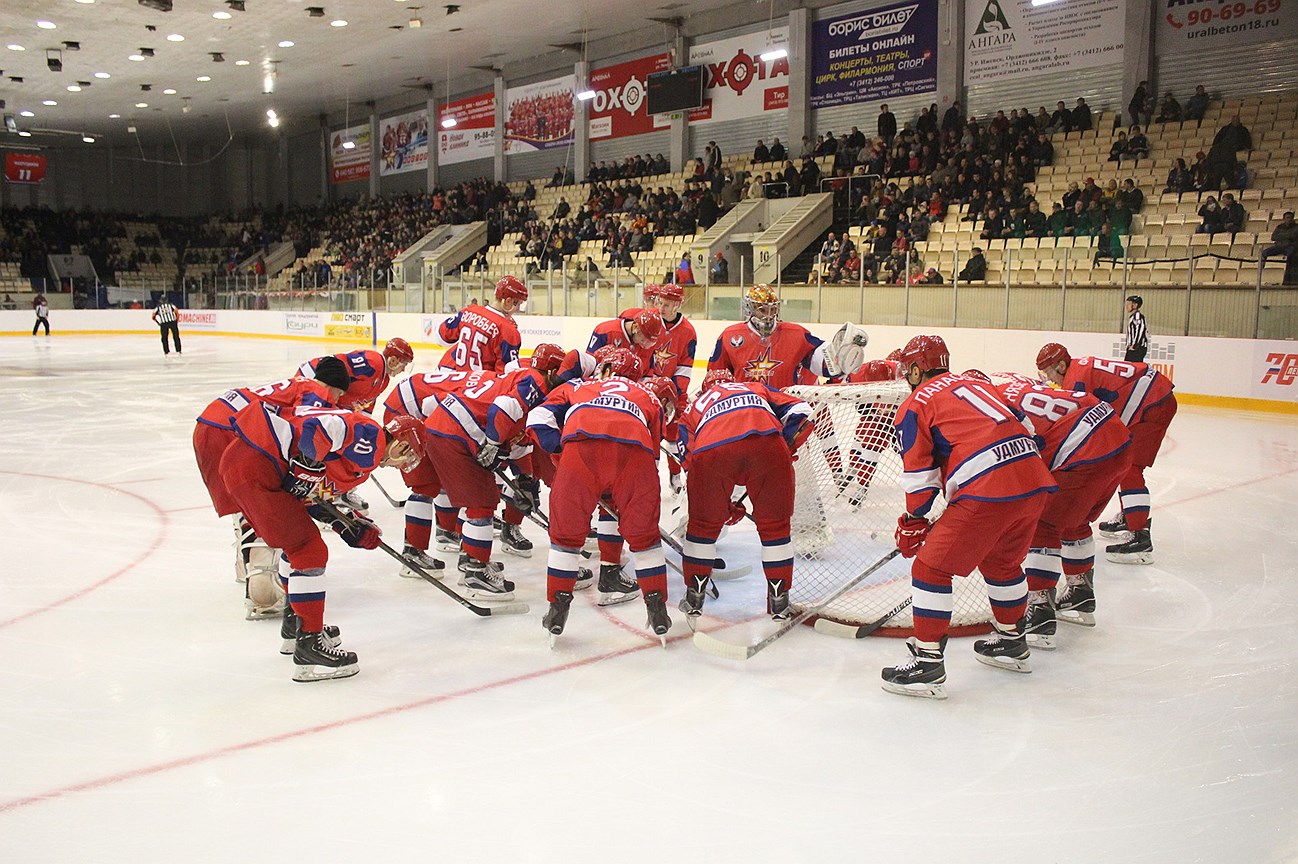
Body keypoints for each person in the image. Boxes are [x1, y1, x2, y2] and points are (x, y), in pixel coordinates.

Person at [881, 337, 1056, 699]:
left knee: (930, 569)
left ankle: (927, 665)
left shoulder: (917, 402)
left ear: (915, 369)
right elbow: (1032, 433)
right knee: (1002, 562)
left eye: (907, 371)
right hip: (1033, 478)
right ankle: (1012, 642)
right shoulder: (977, 383)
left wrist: (913, 520)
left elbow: (920, 479)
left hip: (989, 487)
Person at [217, 401, 423, 681]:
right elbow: (321, 429)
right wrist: (308, 465)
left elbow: (310, 493)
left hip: (249, 462)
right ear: (402, 445)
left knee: (297, 543)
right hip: (257, 464)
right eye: (406, 457)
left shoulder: (365, 447)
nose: (400, 464)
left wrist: (346, 523)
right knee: (309, 550)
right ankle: (310, 643)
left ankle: (297, 625)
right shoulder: (372, 438)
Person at [528, 356, 677, 646]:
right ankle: (657, 608)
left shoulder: (577, 384)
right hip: (634, 452)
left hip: (581, 448)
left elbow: (537, 419)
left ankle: (557, 607)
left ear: (604, 370)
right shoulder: (647, 394)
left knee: (566, 537)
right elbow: (654, 453)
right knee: (645, 538)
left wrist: (562, 451)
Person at [194, 358, 350, 617]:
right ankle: (262, 590)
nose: (337, 400)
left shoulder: (296, 384)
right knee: (267, 503)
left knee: (244, 501)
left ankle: (244, 568)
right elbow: (308, 431)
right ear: (333, 386)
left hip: (209, 424)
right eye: (339, 393)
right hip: (230, 430)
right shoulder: (318, 393)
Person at [987, 373, 1132, 645]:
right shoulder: (1012, 384)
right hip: (1118, 438)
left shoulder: (991, 404)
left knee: (1044, 522)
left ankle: (1040, 611)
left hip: (1085, 446)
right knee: (1073, 520)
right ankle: (1080, 593)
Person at [675, 369, 812, 622]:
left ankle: (694, 596)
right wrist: (785, 443)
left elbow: (689, 461)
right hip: (768, 444)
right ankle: (779, 602)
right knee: (776, 528)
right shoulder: (755, 388)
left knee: (703, 526)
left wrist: (720, 503)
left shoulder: (695, 407)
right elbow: (802, 410)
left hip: (711, 450)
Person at [423, 362, 561, 599]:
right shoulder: (535, 384)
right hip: (455, 433)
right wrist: (493, 444)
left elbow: (517, 441)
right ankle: (476, 572)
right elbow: (501, 409)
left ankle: (470, 560)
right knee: (482, 503)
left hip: (447, 427)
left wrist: (524, 479)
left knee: (481, 500)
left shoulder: (522, 381)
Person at [1036, 343, 1177, 565]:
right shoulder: (1078, 369)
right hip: (1154, 396)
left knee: (1130, 466)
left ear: (1061, 365)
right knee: (1123, 459)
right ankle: (1130, 515)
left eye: (1050, 372)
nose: (1050, 379)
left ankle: (1140, 535)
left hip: (1154, 403)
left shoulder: (1075, 381)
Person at [298, 338, 414, 513]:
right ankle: (315, 493)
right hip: (316, 387)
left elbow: (365, 407)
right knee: (324, 441)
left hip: (331, 400)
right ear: (394, 359)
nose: (403, 369)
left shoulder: (383, 380)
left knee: (347, 447)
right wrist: (316, 389)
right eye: (403, 363)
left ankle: (338, 492)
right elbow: (334, 365)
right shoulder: (373, 362)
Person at [707, 284, 841, 389]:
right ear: (749, 309)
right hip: (747, 409)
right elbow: (715, 377)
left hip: (786, 408)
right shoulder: (730, 336)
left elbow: (826, 361)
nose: (769, 315)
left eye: (773, 309)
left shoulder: (796, 334)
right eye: (763, 310)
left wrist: (841, 358)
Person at [437, 275, 525, 372]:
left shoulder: (469, 311)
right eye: (519, 304)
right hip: (476, 384)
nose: (517, 309)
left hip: (445, 374)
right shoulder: (508, 330)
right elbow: (507, 376)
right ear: (508, 301)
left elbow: (441, 338)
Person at [1261, 211, 1297, 282]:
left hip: (1290, 246)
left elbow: (1293, 236)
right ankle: (1262, 272)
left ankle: (1288, 276)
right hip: (1278, 246)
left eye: (1291, 218)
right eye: (1287, 218)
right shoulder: (1279, 227)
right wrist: (1286, 236)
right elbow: (1273, 237)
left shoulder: (1296, 227)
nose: (1289, 219)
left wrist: (1281, 235)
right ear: (1284, 219)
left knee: (1291, 254)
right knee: (1264, 253)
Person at [1124, 295, 1148, 362]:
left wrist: (1134, 345)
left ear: (1135, 305)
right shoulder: (1133, 316)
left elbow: (1140, 330)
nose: (1126, 306)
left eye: (1129, 304)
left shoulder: (1137, 316)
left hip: (1137, 348)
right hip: (1134, 348)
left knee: (1132, 367)